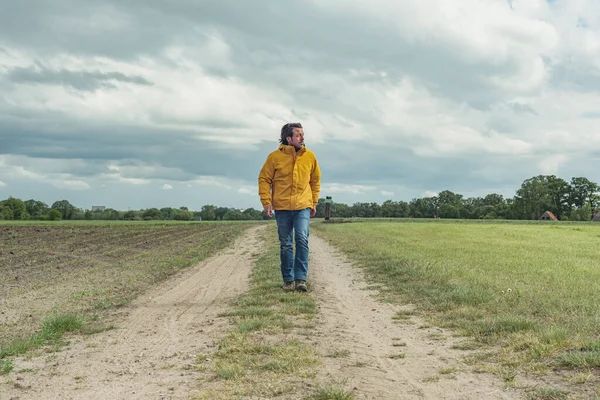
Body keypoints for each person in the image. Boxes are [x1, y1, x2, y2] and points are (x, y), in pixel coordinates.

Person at [258, 122, 321, 292]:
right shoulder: (274, 157)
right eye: (298, 135)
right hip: (282, 206)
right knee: (286, 244)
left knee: (301, 239)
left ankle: (301, 279)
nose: (302, 137)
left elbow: (315, 180)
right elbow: (264, 179)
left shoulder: (310, 157)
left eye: (302, 134)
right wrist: (266, 202)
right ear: (289, 138)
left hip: (303, 205)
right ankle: (288, 280)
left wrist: (313, 202)